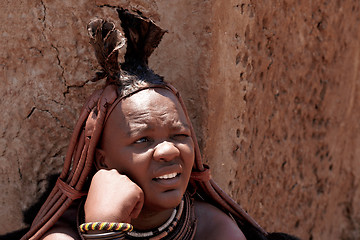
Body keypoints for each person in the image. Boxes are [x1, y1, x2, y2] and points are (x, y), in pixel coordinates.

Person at [22, 8, 299, 240]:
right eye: (143, 140)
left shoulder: (213, 230)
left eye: (180, 135)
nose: (169, 151)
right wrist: (104, 227)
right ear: (103, 162)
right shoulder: (65, 234)